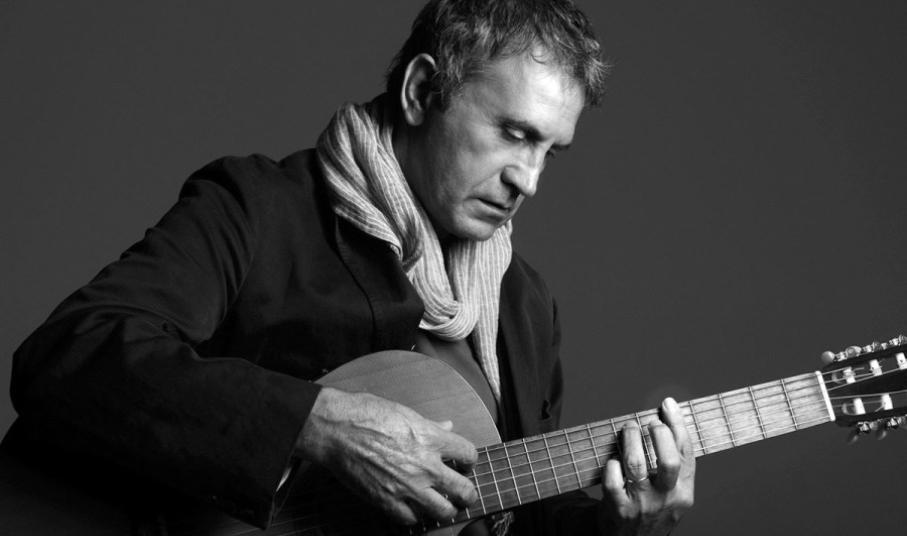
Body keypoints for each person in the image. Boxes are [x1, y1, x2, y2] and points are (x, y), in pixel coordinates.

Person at [5, 0, 695, 534]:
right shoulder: (260, 209)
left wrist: (620, 525)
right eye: (514, 134)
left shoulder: (523, 307)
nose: (530, 179)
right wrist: (317, 423)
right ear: (422, 91)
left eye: (550, 151)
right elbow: (68, 355)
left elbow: (508, 519)